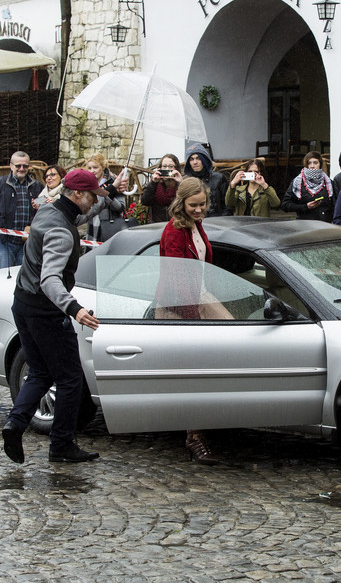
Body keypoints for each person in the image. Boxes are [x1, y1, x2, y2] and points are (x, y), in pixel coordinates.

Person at [1, 168, 126, 464]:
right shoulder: (60, 232)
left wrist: (108, 190)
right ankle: (61, 445)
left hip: (23, 304)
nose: (94, 200)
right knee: (70, 379)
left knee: (41, 371)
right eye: (91, 195)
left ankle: (15, 424)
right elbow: (50, 279)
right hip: (46, 311)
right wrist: (75, 308)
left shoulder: (48, 211)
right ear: (78, 194)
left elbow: (81, 215)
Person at [158, 177, 230, 465]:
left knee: (235, 339)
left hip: (199, 296)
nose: (200, 210)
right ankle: (194, 436)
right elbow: (177, 278)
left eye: (203, 205)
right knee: (194, 371)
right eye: (194, 205)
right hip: (178, 305)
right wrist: (194, 320)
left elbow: (202, 265)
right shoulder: (174, 232)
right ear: (181, 203)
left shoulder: (196, 224)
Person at [0, 150, 43, 268]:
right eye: (18, 165)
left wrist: (33, 228)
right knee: (3, 276)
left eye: (25, 166)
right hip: (5, 241)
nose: (21, 168)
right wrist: (3, 228)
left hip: (28, 242)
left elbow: (41, 210)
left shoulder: (37, 187)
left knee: (27, 278)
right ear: (11, 166)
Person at [282, 151, 334, 222]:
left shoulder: (328, 183)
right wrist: (305, 207)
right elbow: (285, 205)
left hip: (324, 225)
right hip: (305, 225)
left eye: (315, 163)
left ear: (320, 164)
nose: (312, 166)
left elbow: (335, 206)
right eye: (309, 163)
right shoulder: (298, 182)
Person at [183, 143, 227, 217]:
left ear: (204, 159)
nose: (195, 162)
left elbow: (227, 206)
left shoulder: (219, 178)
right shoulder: (185, 181)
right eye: (191, 159)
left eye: (198, 158)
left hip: (216, 222)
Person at [141, 153, 182, 224]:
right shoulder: (155, 184)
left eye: (170, 166)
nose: (167, 169)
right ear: (160, 168)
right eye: (164, 166)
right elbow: (145, 201)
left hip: (176, 225)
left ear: (176, 168)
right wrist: (153, 183)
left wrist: (181, 183)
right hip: (156, 225)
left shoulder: (180, 184)